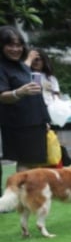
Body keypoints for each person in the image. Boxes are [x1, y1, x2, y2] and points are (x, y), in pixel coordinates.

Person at [0, 26, 50, 173]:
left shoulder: (23, 67)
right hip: (19, 124)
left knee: (34, 163)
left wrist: (44, 119)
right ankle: (22, 194)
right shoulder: (2, 67)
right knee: (26, 162)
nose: (15, 49)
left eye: (18, 45)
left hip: (36, 122)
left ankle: (28, 194)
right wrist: (18, 92)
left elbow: (36, 94)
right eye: (10, 45)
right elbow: (2, 96)